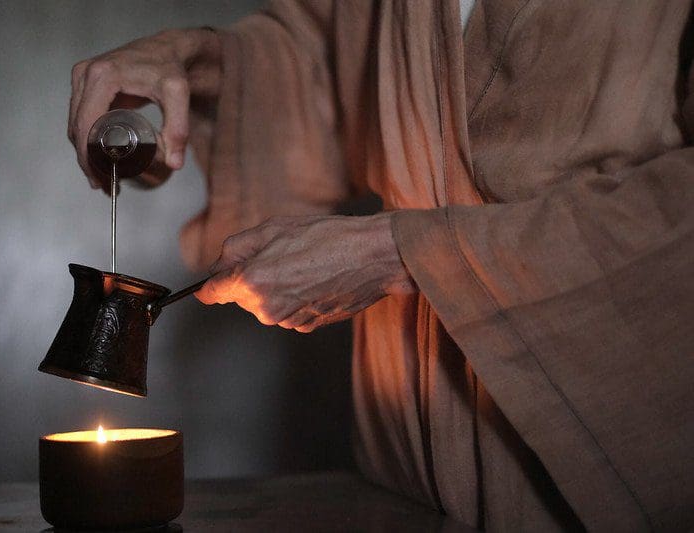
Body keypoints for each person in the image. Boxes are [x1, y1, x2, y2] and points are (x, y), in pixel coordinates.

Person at [67, 1, 694, 530]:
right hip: (403, 479)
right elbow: (324, 55)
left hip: (586, 467)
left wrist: (403, 253)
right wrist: (195, 63)